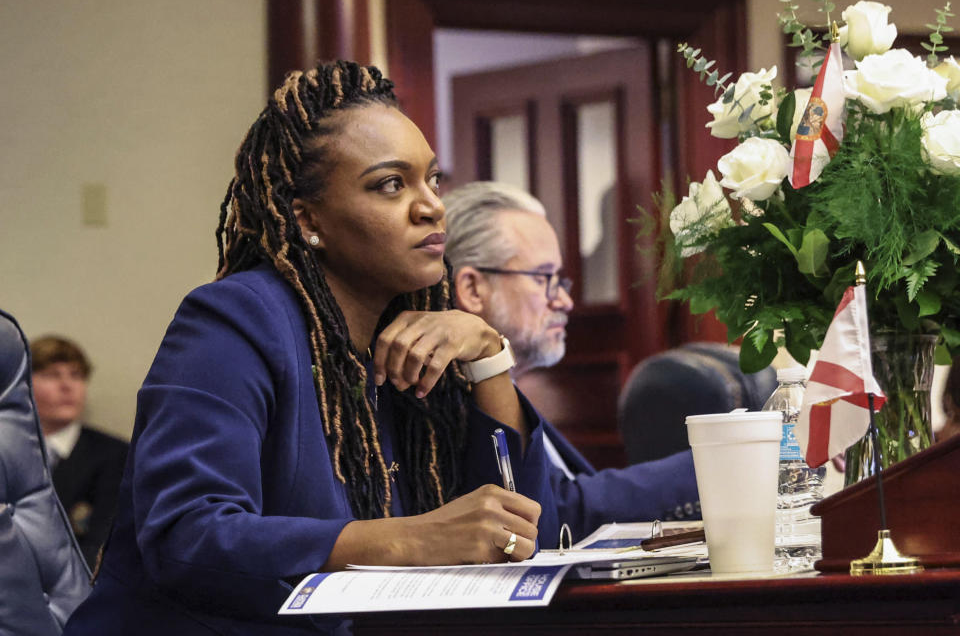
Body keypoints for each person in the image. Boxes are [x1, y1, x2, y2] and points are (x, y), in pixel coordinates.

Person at [63, 61, 558, 636]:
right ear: (307, 219)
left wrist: (489, 356)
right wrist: (412, 539)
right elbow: (187, 536)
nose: (431, 206)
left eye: (432, 180)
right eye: (390, 184)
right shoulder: (234, 320)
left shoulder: (418, 342)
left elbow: (521, 535)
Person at [443, 181, 700, 541]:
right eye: (544, 278)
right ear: (472, 289)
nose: (565, 301)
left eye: (560, 280)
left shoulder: (509, 390)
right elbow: (553, 518)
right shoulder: (445, 397)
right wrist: (712, 466)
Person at [30, 334, 128, 569]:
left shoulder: (115, 455)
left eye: (76, 375)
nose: (67, 386)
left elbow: (102, 542)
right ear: (24, 384)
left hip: (75, 586)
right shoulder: (8, 451)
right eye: (51, 375)